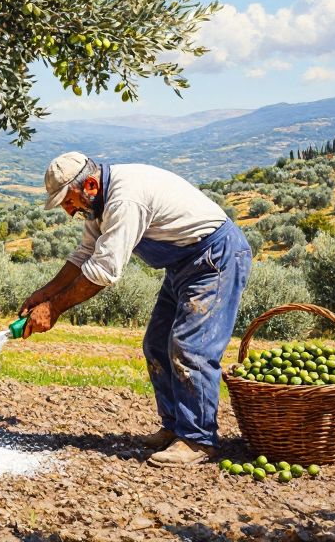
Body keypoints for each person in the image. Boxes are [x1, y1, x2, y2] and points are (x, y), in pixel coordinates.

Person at [18, 151, 252, 467]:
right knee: (156, 345)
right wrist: (42, 295)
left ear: (89, 184)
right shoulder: (96, 206)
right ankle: (174, 427)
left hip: (214, 259)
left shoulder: (123, 200)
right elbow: (84, 255)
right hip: (183, 264)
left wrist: (54, 309)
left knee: (190, 349)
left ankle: (197, 440)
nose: (67, 209)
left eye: (67, 200)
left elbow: (103, 271)